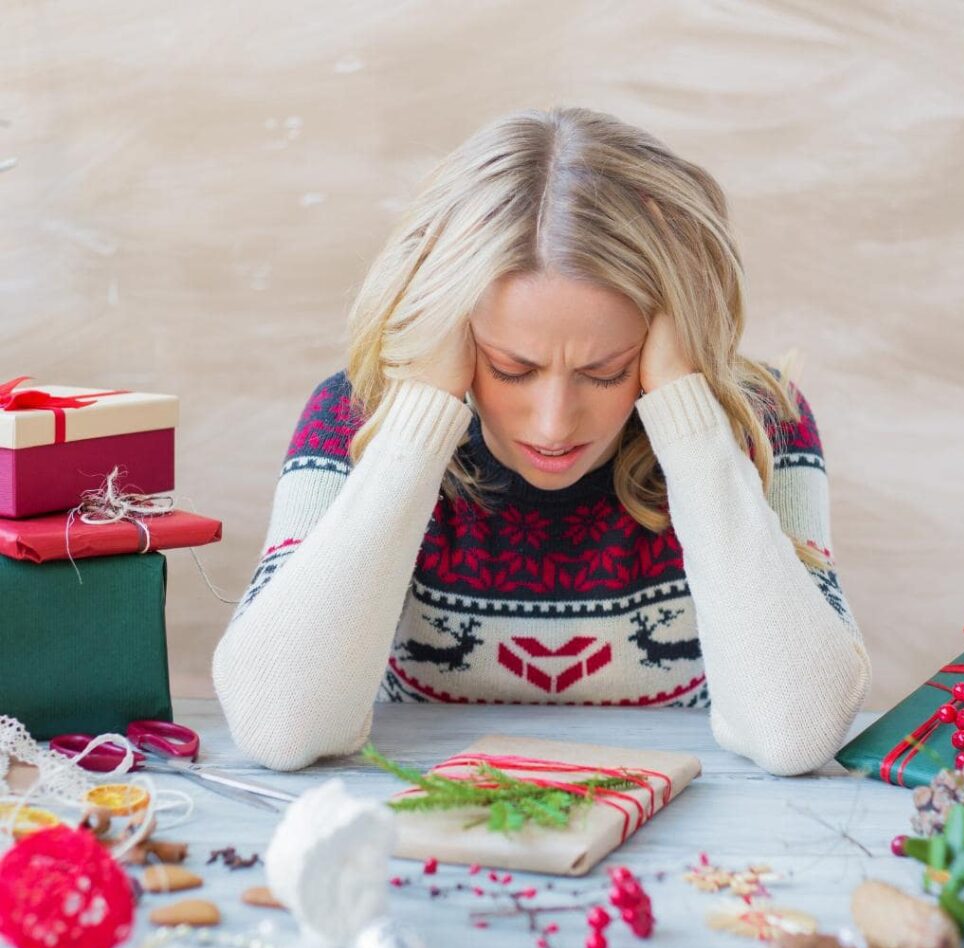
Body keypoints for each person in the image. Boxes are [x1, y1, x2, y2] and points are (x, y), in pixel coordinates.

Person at [212, 106, 871, 775]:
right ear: (456, 332)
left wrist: (688, 414)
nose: (555, 424)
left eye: (605, 371)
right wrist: (419, 418)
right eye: (512, 369)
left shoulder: (761, 422)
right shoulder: (354, 418)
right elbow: (279, 724)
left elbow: (795, 731)